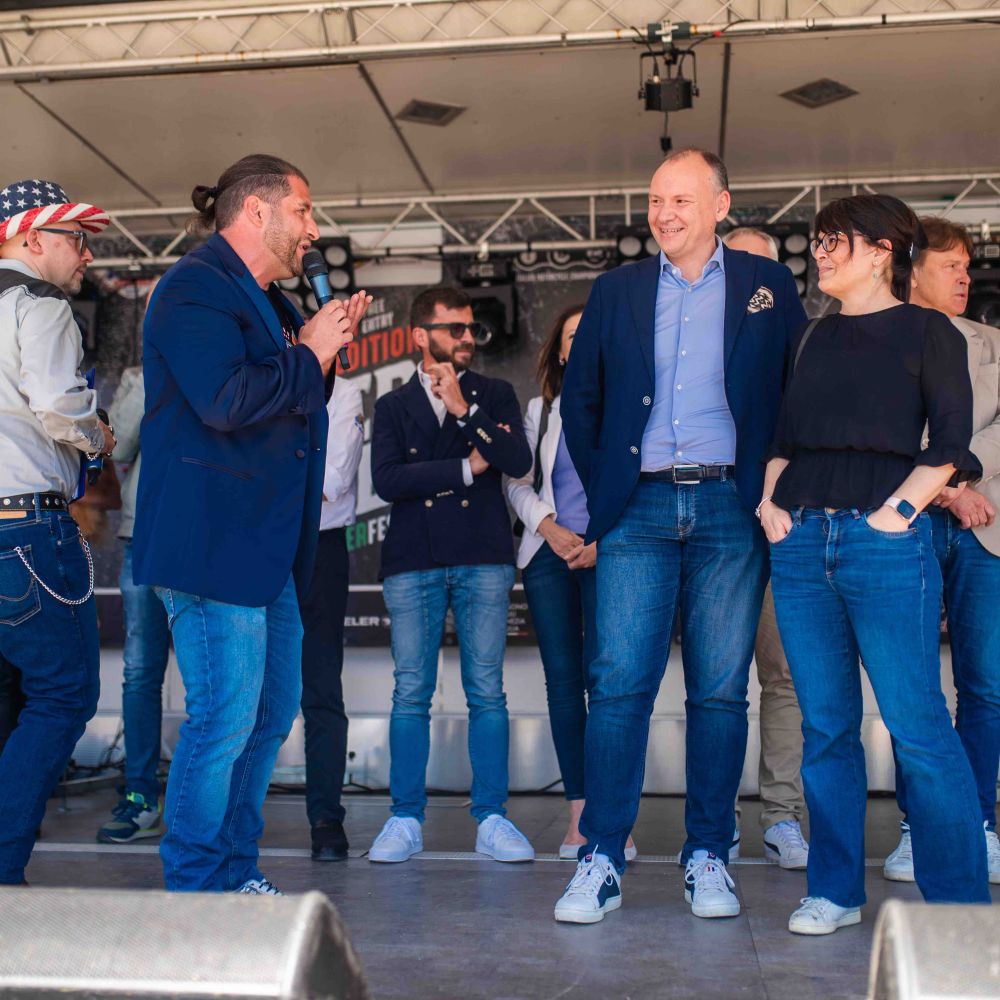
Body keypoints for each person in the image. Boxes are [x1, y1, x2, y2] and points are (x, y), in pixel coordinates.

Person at [554, 149, 807, 924]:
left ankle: (708, 855)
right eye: (656, 200)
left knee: (721, 691)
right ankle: (601, 855)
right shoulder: (617, 290)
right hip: (638, 508)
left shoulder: (767, 284)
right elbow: (581, 400)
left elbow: (796, 393)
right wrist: (608, 490)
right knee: (619, 683)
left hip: (731, 507)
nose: (664, 214)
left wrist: (772, 486)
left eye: (681, 200)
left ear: (721, 205)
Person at [132, 154, 369, 893]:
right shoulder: (193, 288)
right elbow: (226, 400)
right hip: (212, 543)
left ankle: (234, 872)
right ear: (256, 211)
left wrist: (322, 351)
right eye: (303, 210)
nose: (314, 228)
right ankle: (197, 886)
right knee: (224, 720)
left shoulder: (275, 303)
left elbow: (294, 398)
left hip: (266, 548)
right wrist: (313, 351)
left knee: (268, 718)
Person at [760, 194, 990, 936]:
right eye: (819, 240)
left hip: (883, 545)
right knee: (826, 727)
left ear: (883, 250)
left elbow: (950, 443)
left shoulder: (928, 332)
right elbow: (782, 438)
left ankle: (958, 908)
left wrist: (897, 515)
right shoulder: (811, 337)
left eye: (836, 241)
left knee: (917, 725)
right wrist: (769, 505)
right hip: (802, 545)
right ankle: (833, 890)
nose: (821, 253)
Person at [368, 285, 535, 864]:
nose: (468, 338)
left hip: (482, 555)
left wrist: (466, 411)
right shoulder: (392, 405)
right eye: (455, 329)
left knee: (486, 690)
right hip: (414, 558)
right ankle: (404, 818)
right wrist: (465, 468)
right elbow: (388, 480)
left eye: (472, 329)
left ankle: (492, 816)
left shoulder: (494, 394)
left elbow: (517, 462)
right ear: (421, 335)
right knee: (411, 691)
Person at [0, 178, 116, 885]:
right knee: (63, 697)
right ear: (32, 237)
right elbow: (56, 403)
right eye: (77, 238)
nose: (87, 254)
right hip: (25, 529)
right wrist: (97, 432)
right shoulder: (37, 303)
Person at [882, 216, 1000, 885]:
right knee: (914, 687)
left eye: (967, 266)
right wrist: (948, 490)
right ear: (914, 269)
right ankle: (918, 829)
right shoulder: (882, 338)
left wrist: (961, 476)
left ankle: (978, 824)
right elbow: (887, 429)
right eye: (951, 265)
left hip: (988, 527)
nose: (965, 277)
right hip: (914, 524)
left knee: (985, 686)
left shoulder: (993, 342)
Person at [507, 304, 637, 862]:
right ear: (559, 353)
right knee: (563, 684)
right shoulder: (540, 410)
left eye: (590, 335)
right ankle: (581, 815)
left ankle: (614, 817)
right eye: (571, 337)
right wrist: (550, 528)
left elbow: (639, 483)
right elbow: (517, 483)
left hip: (612, 553)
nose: (581, 344)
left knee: (611, 685)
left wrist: (601, 540)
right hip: (548, 555)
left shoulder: (629, 408)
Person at [721, 227, 809, 870]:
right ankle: (716, 820)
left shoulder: (803, 343)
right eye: (739, 262)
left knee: (784, 679)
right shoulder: (692, 335)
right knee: (719, 681)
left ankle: (783, 817)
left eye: (763, 267)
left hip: (784, 529)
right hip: (716, 527)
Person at [96, 321, 172, 845]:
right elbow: (118, 448)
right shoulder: (142, 377)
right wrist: (152, 374)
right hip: (144, 536)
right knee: (141, 672)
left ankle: (207, 801)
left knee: (214, 675)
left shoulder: (223, 367)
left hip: (207, 540)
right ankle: (142, 796)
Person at [300, 370, 365, 862]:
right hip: (261, 545)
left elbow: (333, 482)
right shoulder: (262, 383)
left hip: (320, 548)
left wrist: (265, 477)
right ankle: (230, 819)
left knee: (322, 687)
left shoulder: (344, 393)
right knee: (246, 687)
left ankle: (326, 818)